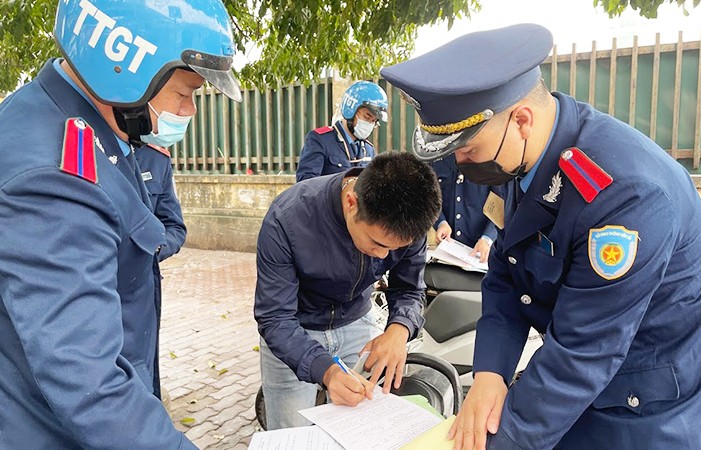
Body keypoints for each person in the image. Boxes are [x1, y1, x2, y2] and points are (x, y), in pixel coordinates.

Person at [381, 23, 701, 450]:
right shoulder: (520, 158)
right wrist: (489, 374)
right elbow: (506, 275)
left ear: (521, 119)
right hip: (582, 390)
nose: (460, 164)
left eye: (466, 148)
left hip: (648, 412)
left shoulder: (623, 197)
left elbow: (581, 356)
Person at [0, 0, 242, 447]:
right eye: (185, 94)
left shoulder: (91, 129)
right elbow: (89, 385)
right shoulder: (53, 178)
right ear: (124, 65)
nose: (189, 112)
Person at [255, 151, 441, 430]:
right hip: (294, 332)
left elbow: (410, 289)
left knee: (360, 432)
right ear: (351, 203)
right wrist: (326, 370)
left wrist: (399, 330)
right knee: (290, 432)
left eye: (395, 249)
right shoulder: (288, 218)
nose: (383, 256)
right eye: (377, 243)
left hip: (357, 324)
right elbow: (275, 318)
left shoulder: (408, 223)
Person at [295, 81, 388, 181]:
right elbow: (306, 184)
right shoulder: (321, 140)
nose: (369, 123)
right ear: (351, 109)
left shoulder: (368, 150)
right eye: (367, 116)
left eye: (374, 121)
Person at [432, 155, 497, 261]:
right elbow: (432, 198)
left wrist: (487, 238)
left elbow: (500, 205)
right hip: (447, 249)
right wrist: (441, 222)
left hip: (482, 253)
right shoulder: (439, 156)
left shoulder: (490, 159)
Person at [136, 144, 187, 261]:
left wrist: (156, 248)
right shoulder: (91, 155)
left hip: (144, 272)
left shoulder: (156, 159)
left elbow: (174, 226)